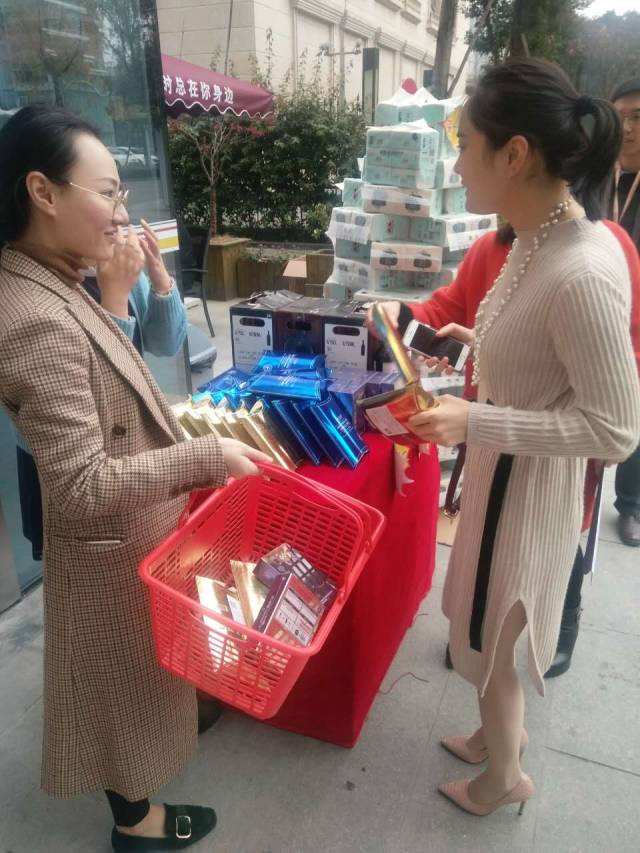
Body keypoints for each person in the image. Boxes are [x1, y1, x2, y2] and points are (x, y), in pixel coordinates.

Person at [0, 104, 269, 851]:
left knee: (134, 682)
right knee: (118, 689)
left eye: (122, 193)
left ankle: (141, 796)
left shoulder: (56, 276)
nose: (122, 211)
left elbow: (148, 353)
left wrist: (144, 287)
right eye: (108, 191)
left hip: (131, 528)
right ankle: (138, 825)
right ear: (42, 193)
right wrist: (206, 457)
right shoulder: (34, 313)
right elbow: (80, 482)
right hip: (106, 538)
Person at [400, 59, 640, 815]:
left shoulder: (582, 267)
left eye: (465, 145)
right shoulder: (537, 237)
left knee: (497, 638)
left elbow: (616, 429)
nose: (456, 164)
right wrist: (475, 343)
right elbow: (543, 355)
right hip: (501, 476)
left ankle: (503, 778)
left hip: (529, 494)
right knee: (481, 624)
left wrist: (477, 418)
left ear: (514, 154)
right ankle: (492, 738)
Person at [377, 217, 640, 678]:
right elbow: (448, 310)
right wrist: (403, 315)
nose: (461, 177)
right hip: (488, 431)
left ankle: (561, 618)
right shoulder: (493, 247)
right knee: (487, 529)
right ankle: (481, 628)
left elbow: (624, 366)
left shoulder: (597, 253)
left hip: (556, 445)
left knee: (554, 537)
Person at [609, 77, 640, 547]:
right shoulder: (594, 179)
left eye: (638, 118)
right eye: (618, 119)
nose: (628, 129)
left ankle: (631, 504)